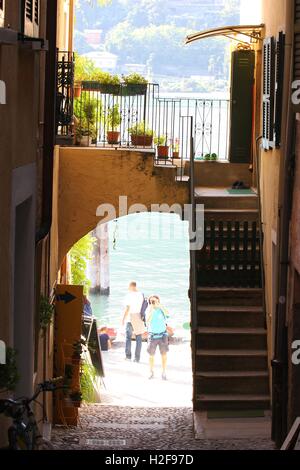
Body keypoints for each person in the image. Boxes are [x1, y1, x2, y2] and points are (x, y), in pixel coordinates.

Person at [146, 295, 169, 380]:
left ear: (158, 301)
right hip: (153, 336)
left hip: (163, 335)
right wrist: (152, 310)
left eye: (155, 301)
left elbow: (168, 315)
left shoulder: (161, 309)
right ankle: (151, 371)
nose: (154, 303)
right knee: (151, 355)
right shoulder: (148, 310)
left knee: (164, 355)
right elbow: (147, 321)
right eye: (152, 301)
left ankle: (164, 372)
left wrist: (160, 306)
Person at [122, 281, 145, 363]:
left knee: (128, 337)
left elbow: (127, 308)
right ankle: (137, 358)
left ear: (131, 286)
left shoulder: (129, 295)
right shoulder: (141, 294)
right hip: (139, 316)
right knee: (139, 337)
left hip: (130, 317)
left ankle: (128, 356)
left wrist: (123, 319)